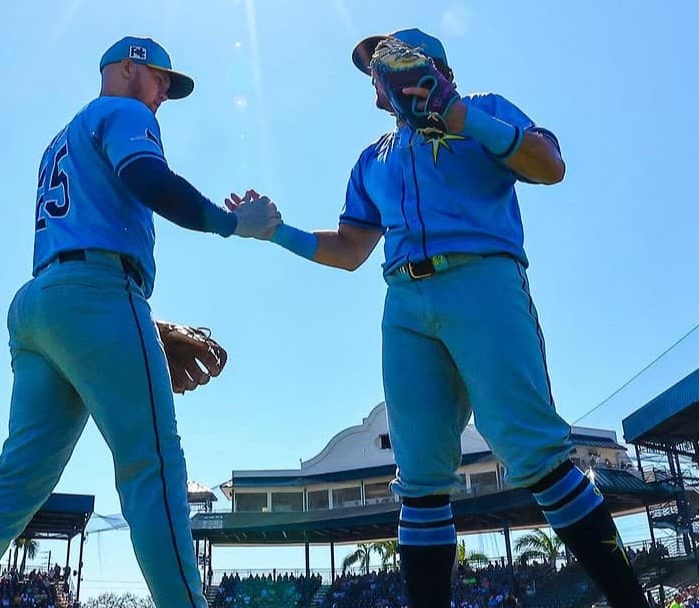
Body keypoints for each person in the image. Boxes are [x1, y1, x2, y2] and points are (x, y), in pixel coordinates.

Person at [232, 27, 647, 608]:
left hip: (483, 278)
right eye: (378, 72)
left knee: (532, 450)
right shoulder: (373, 156)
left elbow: (550, 165)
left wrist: (457, 114)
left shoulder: (485, 111)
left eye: (387, 68)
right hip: (403, 300)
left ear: (430, 69)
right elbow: (351, 250)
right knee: (421, 476)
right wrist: (278, 234)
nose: (377, 84)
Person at [0, 35, 279, 608]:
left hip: (43, 303)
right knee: (153, 464)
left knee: (16, 480)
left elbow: (89, 229)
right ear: (127, 68)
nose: (165, 90)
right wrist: (232, 222)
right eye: (161, 76)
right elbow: (148, 180)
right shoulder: (123, 109)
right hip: (97, 294)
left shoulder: (60, 138)